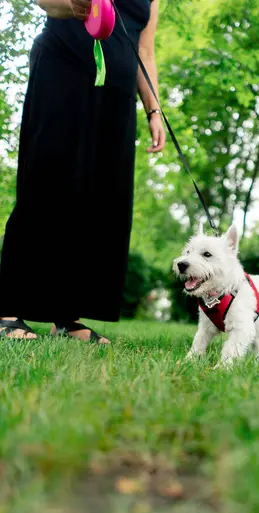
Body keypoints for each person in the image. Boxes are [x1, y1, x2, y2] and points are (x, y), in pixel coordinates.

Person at [0, 0, 165, 342]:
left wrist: (154, 110)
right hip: (62, 67)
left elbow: (144, 51)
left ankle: (66, 317)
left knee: (98, 198)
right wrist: (73, 4)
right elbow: (47, 3)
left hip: (116, 94)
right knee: (45, 184)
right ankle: (8, 309)